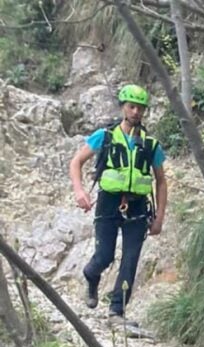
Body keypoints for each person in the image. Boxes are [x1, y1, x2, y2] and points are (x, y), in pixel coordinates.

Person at [68, 83, 168, 326]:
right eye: (132, 107)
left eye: (140, 108)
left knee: (131, 259)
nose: (136, 112)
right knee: (104, 256)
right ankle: (90, 275)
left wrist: (159, 217)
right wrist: (79, 191)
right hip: (108, 202)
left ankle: (117, 311)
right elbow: (76, 162)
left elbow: (161, 181)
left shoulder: (150, 144)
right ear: (123, 107)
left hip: (138, 206)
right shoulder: (105, 137)